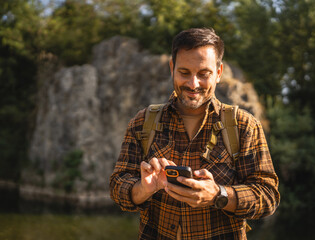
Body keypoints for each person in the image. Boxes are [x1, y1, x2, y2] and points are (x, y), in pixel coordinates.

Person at [110, 27, 280, 240]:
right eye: (184, 73)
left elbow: (268, 196)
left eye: (203, 74)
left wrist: (219, 195)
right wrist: (144, 189)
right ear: (172, 68)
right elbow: (118, 186)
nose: (193, 84)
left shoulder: (244, 125)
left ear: (218, 73)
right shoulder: (142, 122)